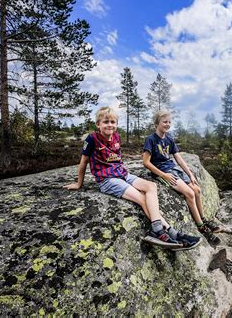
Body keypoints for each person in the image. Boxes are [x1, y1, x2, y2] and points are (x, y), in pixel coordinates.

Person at [64, 106, 201, 250]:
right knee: (142, 199)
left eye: (112, 122)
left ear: (116, 124)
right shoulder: (92, 139)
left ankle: (166, 232)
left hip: (122, 174)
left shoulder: (116, 137)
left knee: (151, 187)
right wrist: (79, 184)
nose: (110, 125)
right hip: (108, 179)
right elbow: (83, 162)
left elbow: (116, 158)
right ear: (98, 124)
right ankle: (164, 231)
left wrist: (123, 170)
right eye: (105, 122)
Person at [142, 110, 222, 246]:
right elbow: (146, 162)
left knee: (196, 189)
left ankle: (203, 218)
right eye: (164, 122)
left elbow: (178, 158)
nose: (167, 124)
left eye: (169, 122)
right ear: (156, 124)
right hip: (162, 172)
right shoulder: (151, 140)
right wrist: (163, 175)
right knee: (189, 193)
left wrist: (190, 174)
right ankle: (201, 227)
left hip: (173, 169)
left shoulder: (169, 139)